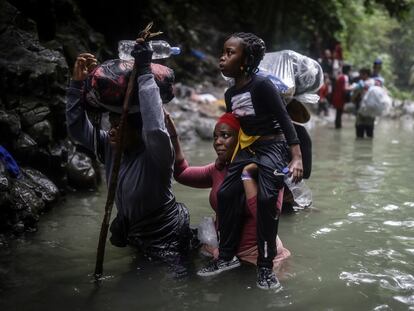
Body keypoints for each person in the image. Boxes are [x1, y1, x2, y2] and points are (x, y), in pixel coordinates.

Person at [65, 43, 193, 270]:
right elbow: (77, 129)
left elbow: (154, 126)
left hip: (166, 236)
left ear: (138, 131)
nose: (112, 130)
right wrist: (76, 85)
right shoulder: (110, 147)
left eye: (120, 126)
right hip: (136, 232)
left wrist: (144, 72)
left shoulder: (157, 155)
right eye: (111, 124)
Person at [197, 32, 303, 290]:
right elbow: (235, 127)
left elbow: (285, 119)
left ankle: (265, 267)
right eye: (223, 52)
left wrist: (296, 156)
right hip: (249, 147)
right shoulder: (231, 93)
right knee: (225, 193)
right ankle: (226, 256)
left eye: (230, 53)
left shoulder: (262, 85)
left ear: (246, 61)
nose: (222, 58)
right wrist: (224, 155)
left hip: (273, 146)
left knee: (267, 200)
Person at [165, 112, 291, 268]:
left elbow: (267, 218)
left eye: (225, 135)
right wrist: (173, 137)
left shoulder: (264, 169)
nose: (217, 142)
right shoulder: (219, 169)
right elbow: (182, 174)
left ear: (242, 139)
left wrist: (247, 176)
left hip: (256, 258)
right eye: (215, 137)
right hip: (224, 254)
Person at [331, 64, 351, 129]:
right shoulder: (345, 77)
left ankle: (337, 125)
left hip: (336, 96)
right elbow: (344, 88)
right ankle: (338, 126)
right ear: (348, 70)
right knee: (339, 112)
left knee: (338, 112)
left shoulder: (339, 76)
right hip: (341, 97)